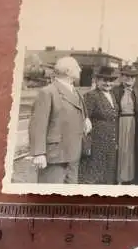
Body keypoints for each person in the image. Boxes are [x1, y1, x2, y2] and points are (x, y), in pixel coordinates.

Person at [28, 56, 92, 184]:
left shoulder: (76, 91)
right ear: (68, 71)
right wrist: (39, 153)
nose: (80, 69)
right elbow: (38, 124)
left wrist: (85, 119)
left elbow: (77, 111)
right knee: (50, 196)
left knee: (69, 197)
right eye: (76, 67)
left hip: (73, 154)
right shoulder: (48, 92)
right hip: (56, 156)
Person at [112, 65, 138, 185]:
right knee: (121, 152)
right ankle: (120, 178)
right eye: (126, 76)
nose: (129, 78)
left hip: (135, 126)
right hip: (120, 125)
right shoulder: (115, 91)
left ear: (135, 78)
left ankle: (134, 179)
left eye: (132, 76)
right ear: (122, 77)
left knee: (134, 152)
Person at [78, 66, 119, 185]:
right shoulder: (91, 96)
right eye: (104, 80)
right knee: (94, 176)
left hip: (110, 143)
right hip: (96, 143)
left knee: (108, 176)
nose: (108, 83)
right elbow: (84, 119)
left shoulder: (112, 95)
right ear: (97, 81)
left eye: (110, 81)